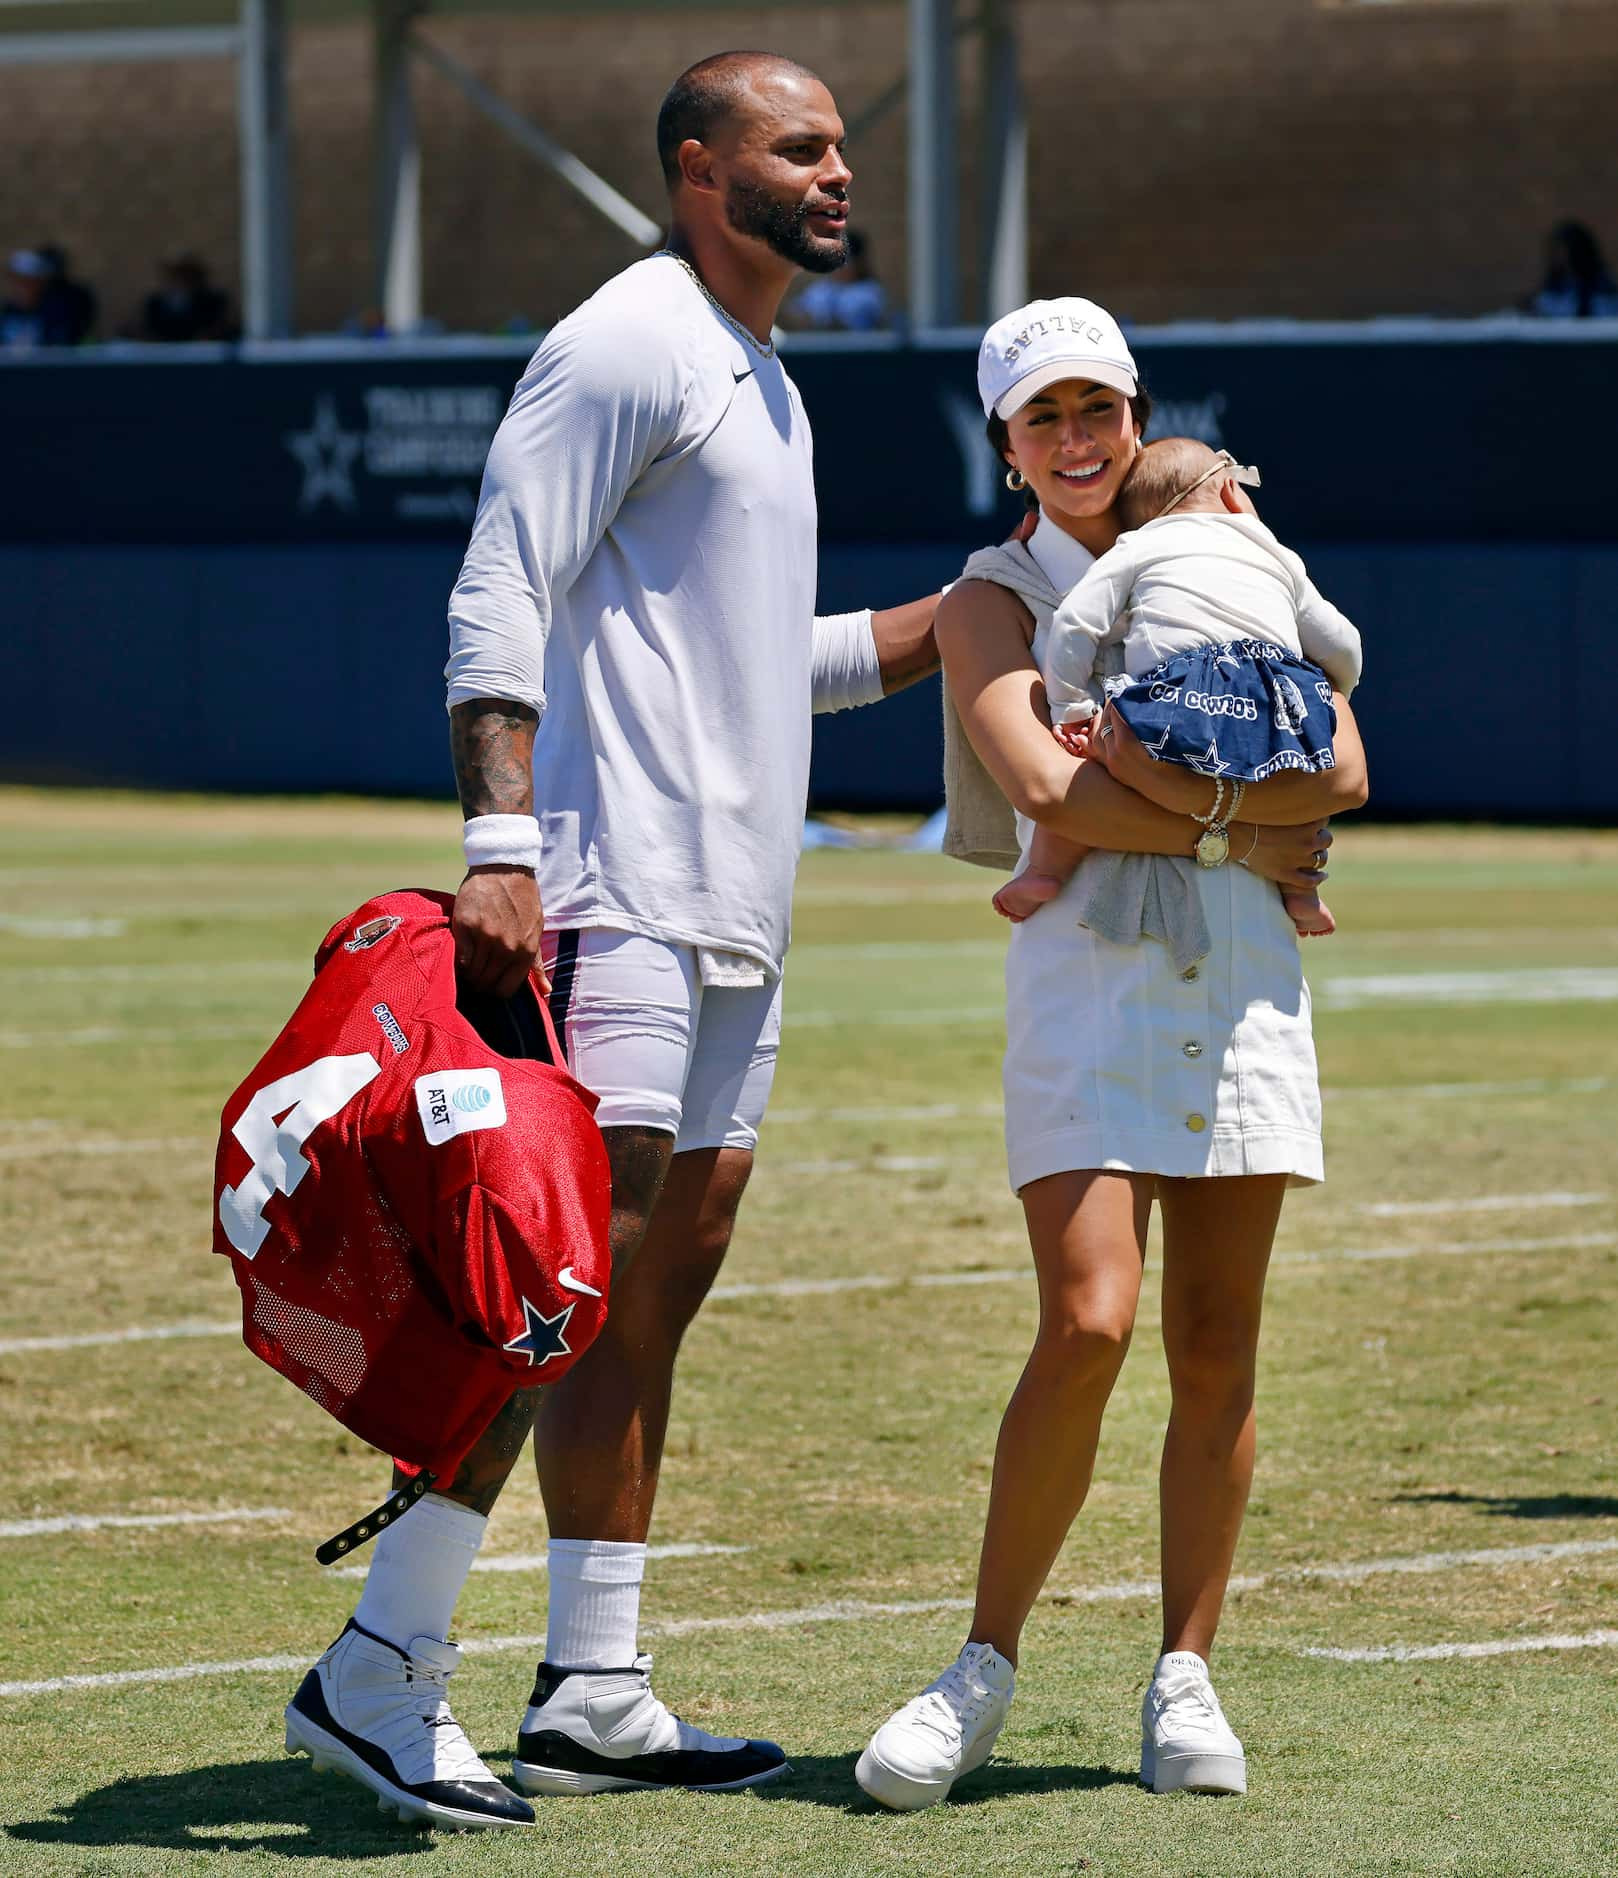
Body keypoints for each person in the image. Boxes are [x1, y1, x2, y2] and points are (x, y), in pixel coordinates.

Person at [288, 50, 941, 1830]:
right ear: (692, 168)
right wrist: (501, 840)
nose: (830, 170)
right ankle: (378, 1662)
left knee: (650, 1290)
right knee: (554, 1277)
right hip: (609, 887)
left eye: (832, 147)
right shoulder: (630, 335)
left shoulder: (764, 376)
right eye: (792, 146)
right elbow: (501, 575)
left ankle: (593, 1684)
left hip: (736, 907)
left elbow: (758, 661)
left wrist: (950, 618)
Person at [856, 297, 1367, 1811]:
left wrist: (1205, 810)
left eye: (1097, 409)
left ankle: (1182, 1674)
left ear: (1135, 415)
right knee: (1088, 1320)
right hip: (1081, 978)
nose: (1075, 440)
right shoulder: (988, 595)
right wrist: (1242, 824)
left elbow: (1341, 760)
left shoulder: (1239, 547)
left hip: (1252, 984)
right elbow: (1044, 793)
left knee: (1218, 1345)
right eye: (1042, 418)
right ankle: (980, 1664)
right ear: (1005, 446)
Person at [994, 435, 1363, 938]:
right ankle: (1303, 892)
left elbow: (1077, 623)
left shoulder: (1139, 543)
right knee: (1297, 776)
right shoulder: (1273, 550)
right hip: (1271, 692)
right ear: (1232, 494)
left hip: (1183, 696)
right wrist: (1333, 688)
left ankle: (1044, 871)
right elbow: (1339, 638)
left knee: (1103, 757)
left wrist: (1071, 706)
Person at [780, 225, 887, 330]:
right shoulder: (821, 288)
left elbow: (851, 327)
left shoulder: (870, 292)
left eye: (845, 260)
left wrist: (824, 321)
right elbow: (790, 315)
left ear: (858, 262)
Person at [125, 253, 236, 342]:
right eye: (173, 274)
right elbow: (144, 331)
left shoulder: (213, 302)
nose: (178, 280)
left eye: (184, 273)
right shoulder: (154, 303)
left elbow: (220, 331)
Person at [1523, 220, 1618, 319]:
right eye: (1554, 250)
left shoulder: (1601, 284)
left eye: (1560, 250)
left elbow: (1604, 311)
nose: (1556, 255)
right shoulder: (1556, 284)